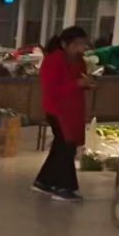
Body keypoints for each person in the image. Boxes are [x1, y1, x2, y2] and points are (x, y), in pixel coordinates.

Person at [35, 25, 93, 201]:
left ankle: (44, 181)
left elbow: (80, 80)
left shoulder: (79, 61)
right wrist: (77, 84)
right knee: (66, 148)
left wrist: (87, 84)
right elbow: (51, 90)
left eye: (83, 44)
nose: (81, 48)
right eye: (77, 44)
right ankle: (64, 187)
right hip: (57, 110)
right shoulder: (54, 60)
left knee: (60, 147)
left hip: (72, 110)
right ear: (65, 44)